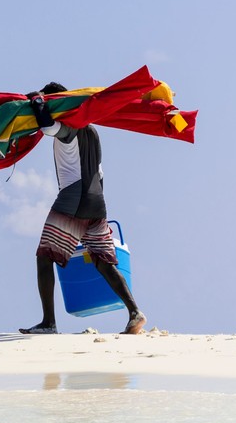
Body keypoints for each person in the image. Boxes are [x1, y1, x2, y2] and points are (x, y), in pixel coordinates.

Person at [20, 82, 146, 336]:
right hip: (97, 202)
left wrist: (37, 103)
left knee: (44, 257)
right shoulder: (92, 131)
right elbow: (100, 172)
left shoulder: (71, 128)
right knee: (103, 262)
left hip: (73, 200)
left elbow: (47, 127)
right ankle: (135, 312)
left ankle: (48, 323)